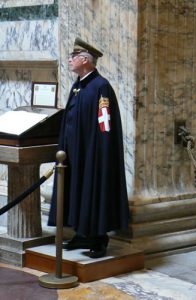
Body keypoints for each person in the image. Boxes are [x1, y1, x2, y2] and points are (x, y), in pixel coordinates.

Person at [48, 37, 129, 258]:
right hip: (73, 153)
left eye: (73, 57)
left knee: (93, 191)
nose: (69, 60)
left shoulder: (100, 86)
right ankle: (82, 234)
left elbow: (105, 123)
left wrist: (100, 153)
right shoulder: (79, 84)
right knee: (76, 191)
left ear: (85, 59)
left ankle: (99, 239)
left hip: (93, 152)